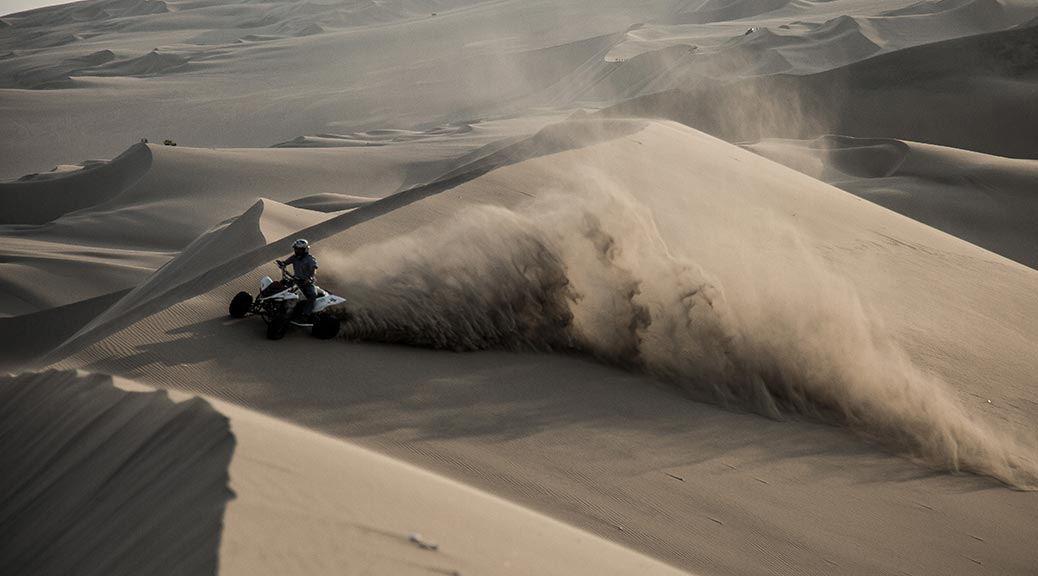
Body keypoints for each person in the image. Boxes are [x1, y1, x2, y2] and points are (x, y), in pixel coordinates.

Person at [277, 239, 319, 318]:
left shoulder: (310, 259)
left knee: (312, 295)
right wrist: (282, 263)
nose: (296, 250)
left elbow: (314, 269)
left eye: (298, 249)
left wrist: (309, 278)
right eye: (295, 249)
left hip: (307, 283)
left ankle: (306, 314)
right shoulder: (295, 257)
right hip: (295, 280)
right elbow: (286, 262)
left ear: (304, 249)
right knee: (281, 286)